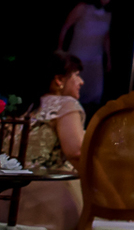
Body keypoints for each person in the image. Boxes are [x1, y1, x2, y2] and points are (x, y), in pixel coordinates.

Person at [9, 52, 87, 230]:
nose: (81, 81)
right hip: (49, 201)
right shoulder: (66, 104)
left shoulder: (23, 108)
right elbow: (77, 152)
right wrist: (110, 196)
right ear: (59, 80)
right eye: (76, 75)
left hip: (9, 198)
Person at [56, 0, 114, 108]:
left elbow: (106, 38)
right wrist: (60, 48)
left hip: (96, 58)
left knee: (94, 92)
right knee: (73, 90)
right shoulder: (83, 8)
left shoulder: (107, 15)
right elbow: (66, 27)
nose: (108, 0)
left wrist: (108, 59)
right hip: (79, 55)